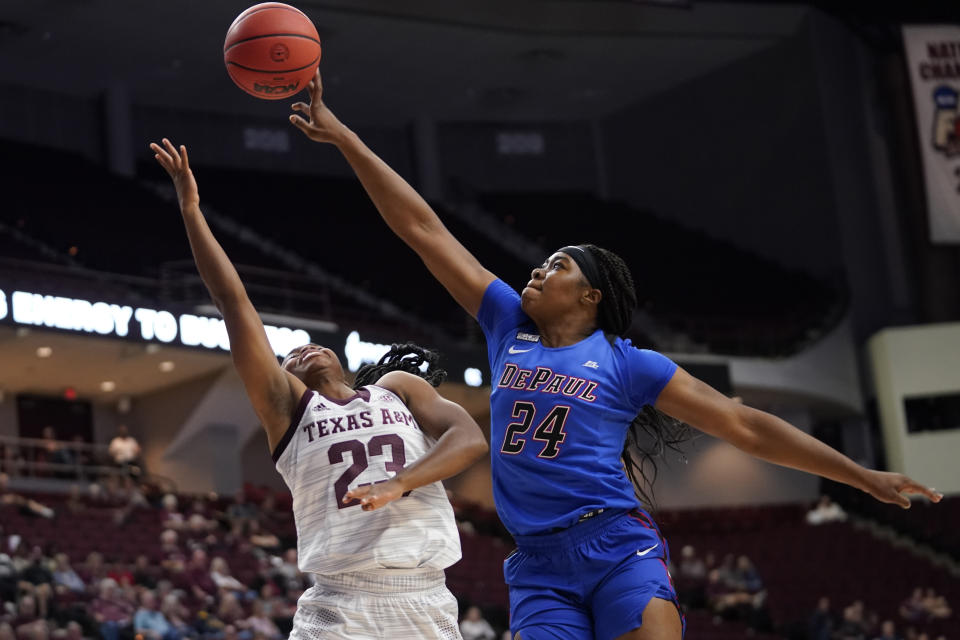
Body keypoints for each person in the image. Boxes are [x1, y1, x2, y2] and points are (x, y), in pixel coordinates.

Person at [287, 69, 944, 640]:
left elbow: (744, 425)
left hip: (614, 546)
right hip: (537, 562)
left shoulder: (631, 364)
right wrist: (344, 136)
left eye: (558, 265)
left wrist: (863, 477)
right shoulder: (505, 324)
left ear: (593, 294)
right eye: (541, 263)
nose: (538, 271)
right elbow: (423, 228)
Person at [149, 137, 488, 639]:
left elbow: (470, 440)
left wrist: (399, 482)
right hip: (340, 599)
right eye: (292, 354)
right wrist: (190, 208)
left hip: (424, 595)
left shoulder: (398, 387)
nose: (305, 349)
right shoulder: (287, 407)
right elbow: (233, 302)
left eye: (313, 345)